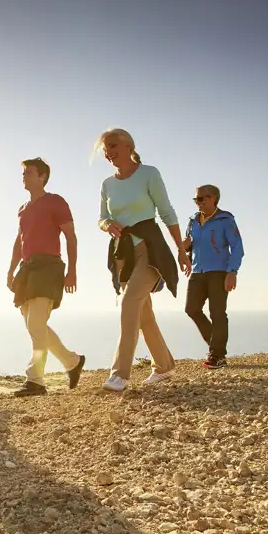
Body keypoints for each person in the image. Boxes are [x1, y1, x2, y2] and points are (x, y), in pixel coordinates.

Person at [97, 128, 190, 392]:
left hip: (150, 251)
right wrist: (107, 224)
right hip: (123, 254)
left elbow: (167, 212)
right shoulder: (107, 184)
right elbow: (102, 217)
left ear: (128, 145)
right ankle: (164, 366)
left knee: (129, 303)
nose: (108, 152)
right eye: (105, 149)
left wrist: (181, 250)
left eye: (113, 145)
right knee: (143, 313)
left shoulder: (149, 173)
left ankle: (120, 374)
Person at [7, 158, 86, 397]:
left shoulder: (56, 201)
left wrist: (72, 271)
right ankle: (72, 362)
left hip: (49, 267)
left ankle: (36, 380)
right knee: (34, 325)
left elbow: (71, 237)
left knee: (35, 324)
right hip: (27, 269)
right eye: (23, 173)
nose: (24, 176)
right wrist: (11, 270)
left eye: (29, 172)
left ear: (42, 177)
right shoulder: (23, 208)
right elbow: (19, 242)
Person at [183, 185, 244, 369]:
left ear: (214, 198)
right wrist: (186, 248)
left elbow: (237, 247)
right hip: (197, 271)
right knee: (191, 309)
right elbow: (190, 245)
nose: (198, 202)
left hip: (219, 272)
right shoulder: (193, 221)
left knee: (217, 313)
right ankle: (217, 348)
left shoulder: (225, 219)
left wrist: (232, 271)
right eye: (196, 199)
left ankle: (217, 355)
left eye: (202, 198)